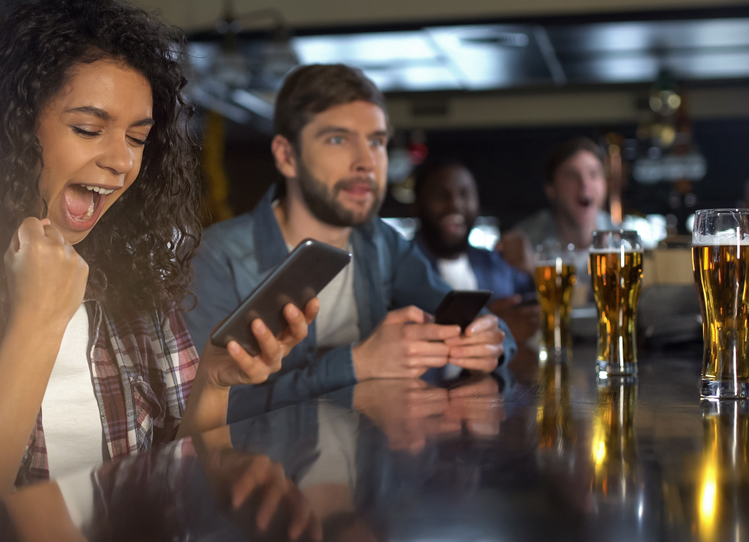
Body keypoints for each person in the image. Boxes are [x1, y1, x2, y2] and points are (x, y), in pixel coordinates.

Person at [0, 0, 317, 540]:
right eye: (88, 129)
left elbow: (174, 485)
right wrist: (38, 320)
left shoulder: (135, 277)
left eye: (137, 138)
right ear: (7, 130)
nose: (122, 160)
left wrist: (216, 384)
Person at [184, 64, 513, 423]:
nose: (366, 163)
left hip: (371, 472)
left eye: (377, 141)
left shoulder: (380, 242)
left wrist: (491, 344)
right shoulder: (216, 259)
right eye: (338, 139)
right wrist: (357, 363)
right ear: (286, 156)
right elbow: (199, 414)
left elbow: (482, 322)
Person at [412, 158, 539, 342]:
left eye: (464, 194)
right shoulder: (401, 267)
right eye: (441, 194)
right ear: (418, 204)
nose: (455, 203)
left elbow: (543, 306)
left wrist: (530, 268)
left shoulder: (497, 263)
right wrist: (491, 325)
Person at [498, 137, 616, 275]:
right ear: (551, 188)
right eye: (572, 175)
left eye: (593, 174)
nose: (585, 183)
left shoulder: (624, 243)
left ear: (605, 185)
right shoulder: (526, 243)